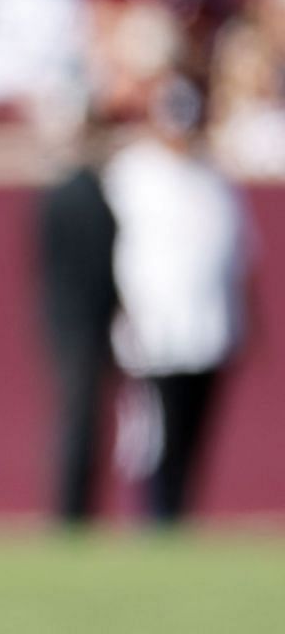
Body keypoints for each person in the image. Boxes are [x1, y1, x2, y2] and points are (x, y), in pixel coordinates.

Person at [105, 78, 254, 523]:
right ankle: (152, 516)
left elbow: (241, 253)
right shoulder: (132, 173)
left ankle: (179, 515)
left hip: (209, 326)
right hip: (154, 327)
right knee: (154, 432)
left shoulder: (213, 179)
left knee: (194, 428)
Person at [36, 118, 118, 524]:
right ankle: (72, 509)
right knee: (80, 418)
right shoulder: (88, 196)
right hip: (82, 322)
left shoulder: (60, 195)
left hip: (68, 322)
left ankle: (74, 508)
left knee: (80, 416)